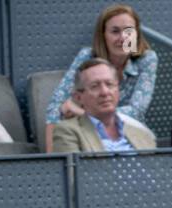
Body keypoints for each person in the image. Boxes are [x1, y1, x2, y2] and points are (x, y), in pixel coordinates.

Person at [45, 4, 157, 151]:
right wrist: (52, 159)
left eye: (128, 31)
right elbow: (56, 105)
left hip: (130, 133)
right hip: (88, 135)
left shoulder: (147, 59)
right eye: (115, 31)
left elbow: (136, 110)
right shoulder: (87, 56)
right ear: (103, 35)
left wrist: (84, 112)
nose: (122, 38)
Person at [50, 59, 155, 153]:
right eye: (94, 86)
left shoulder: (141, 133)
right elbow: (73, 174)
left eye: (109, 84)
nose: (105, 92)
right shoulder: (67, 132)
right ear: (79, 97)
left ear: (118, 91)